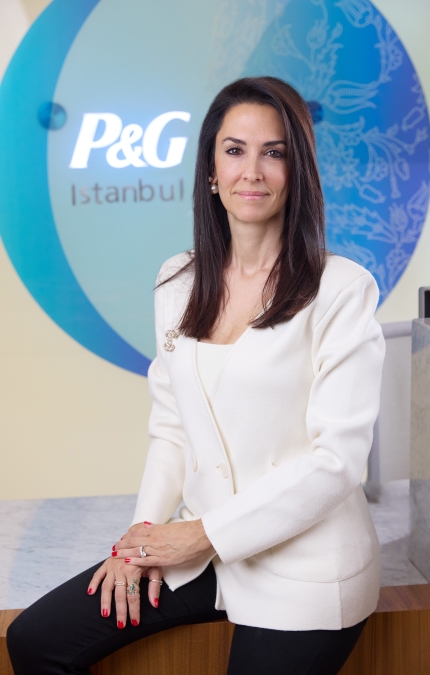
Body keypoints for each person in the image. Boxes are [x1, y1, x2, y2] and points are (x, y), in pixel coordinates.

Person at [7, 76, 385, 675]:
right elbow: (172, 427)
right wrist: (141, 537)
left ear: (298, 171)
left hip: (307, 569)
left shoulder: (342, 290)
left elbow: (336, 462)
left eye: (274, 152)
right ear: (211, 170)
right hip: (204, 554)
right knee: (36, 640)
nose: (252, 171)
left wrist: (202, 534)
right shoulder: (176, 281)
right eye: (234, 150)